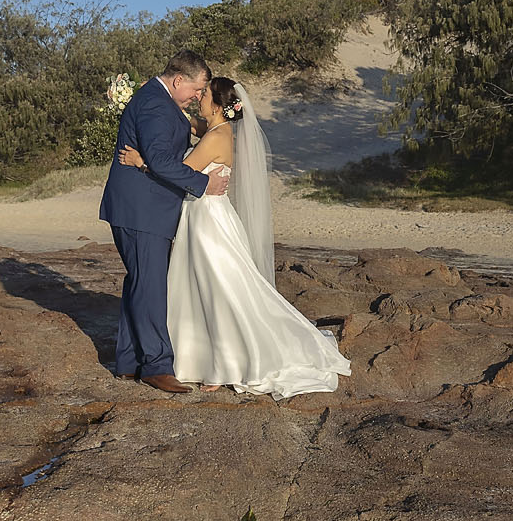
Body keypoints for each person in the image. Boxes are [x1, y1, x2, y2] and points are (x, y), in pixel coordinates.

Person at [118, 77, 351, 399]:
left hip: (207, 222)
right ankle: (205, 357)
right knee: (200, 288)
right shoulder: (215, 130)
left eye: (204, 94)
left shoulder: (217, 138)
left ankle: (225, 363)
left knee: (219, 289)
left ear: (216, 105)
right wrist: (161, 96)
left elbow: (176, 171)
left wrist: (140, 161)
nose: (199, 97)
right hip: (202, 217)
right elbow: (191, 125)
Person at [99, 51, 229, 392]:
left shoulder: (157, 98)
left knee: (140, 282)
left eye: (203, 93)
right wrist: (204, 184)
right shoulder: (157, 104)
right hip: (143, 209)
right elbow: (159, 160)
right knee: (151, 286)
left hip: (139, 207)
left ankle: (128, 361)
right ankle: (156, 366)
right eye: (197, 89)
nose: (198, 96)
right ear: (178, 80)